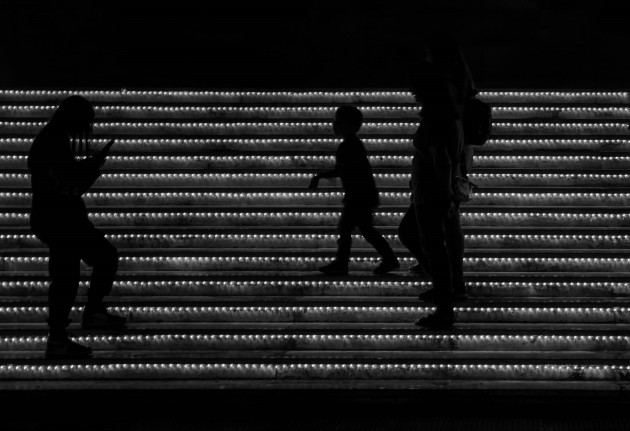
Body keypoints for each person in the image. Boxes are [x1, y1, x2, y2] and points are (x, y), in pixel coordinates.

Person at [28, 95, 126, 359]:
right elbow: (67, 187)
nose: (88, 128)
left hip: (61, 219)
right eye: (87, 122)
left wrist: (88, 166)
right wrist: (92, 169)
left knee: (84, 268)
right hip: (60, 221)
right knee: (68, 277)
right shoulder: (52, 143)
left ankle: (75, 325)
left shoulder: (54, 139)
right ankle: (61, 336)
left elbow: (64, 177)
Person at [398, 33, 475, 329]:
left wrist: (446, 195)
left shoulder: (436, 117)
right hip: (432, 190)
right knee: (427, 241)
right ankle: (447, 292)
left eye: (414, 85)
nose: (411, 90)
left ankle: (445, 305)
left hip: (432, 193)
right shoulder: (449, 113)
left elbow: (441, 159)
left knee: (432, 246)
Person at [309, 106, 399, 275]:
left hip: (359, 196)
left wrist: (320, 176)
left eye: (340, 122)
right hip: (362, 195)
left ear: (353, 126)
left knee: (349, 228)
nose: (335, 125)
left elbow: (344, 170)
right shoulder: (352, 144)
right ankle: (387, 259)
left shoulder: (349, 146)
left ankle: (343, 263)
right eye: (335, 121)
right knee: (363, 229)